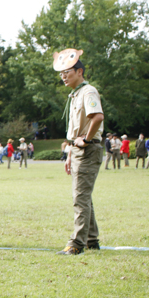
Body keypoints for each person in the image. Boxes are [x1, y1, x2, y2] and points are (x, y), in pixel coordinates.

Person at [53, 48, 104, 255]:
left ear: (80, 71)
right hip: (78, 151)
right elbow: (75, 131)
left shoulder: (88, 91)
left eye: (68, 71)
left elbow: (97, 116)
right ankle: (91, 239)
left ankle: (77, 244)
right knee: (84, 196)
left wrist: (87, 139)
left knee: (80, 197)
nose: (64, 76)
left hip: (88, 150)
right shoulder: (75, 94)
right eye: (61, 73)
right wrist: (71, 153)